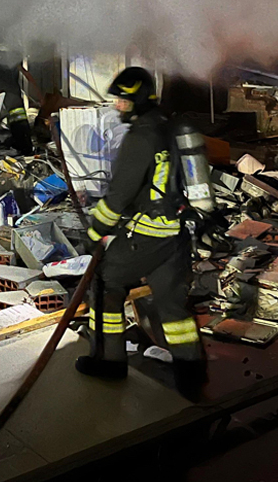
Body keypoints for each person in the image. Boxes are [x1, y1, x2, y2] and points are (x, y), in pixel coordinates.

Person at [76, 66, 207, 395]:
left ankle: (110, 362)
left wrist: (93, 235)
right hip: (176, 235)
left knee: (105, 284)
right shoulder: (170, 127)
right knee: (172, 307)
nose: (118, 106)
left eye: (122, 100)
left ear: (137, 100)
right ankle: (190, 378)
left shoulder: (140, 138)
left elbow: (117, 198)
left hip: (146, 234)